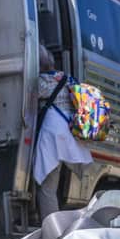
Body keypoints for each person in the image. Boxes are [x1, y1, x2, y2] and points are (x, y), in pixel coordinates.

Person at [33, 45, 92, 219]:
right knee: (54, 181)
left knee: (46, 187)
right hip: (70, 134)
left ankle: (50, 227)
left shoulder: (41, 81)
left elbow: (29, 99)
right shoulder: (69, 79)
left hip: (52, 136)